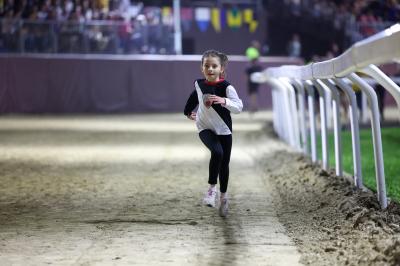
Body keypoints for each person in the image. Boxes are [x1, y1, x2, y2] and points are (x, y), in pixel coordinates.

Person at [183, 50, 243, 217]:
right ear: (202, 68)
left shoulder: (227, 87)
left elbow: (239, 107)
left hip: (224, 130)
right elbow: (194, 97)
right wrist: (187, 112)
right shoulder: (199, 84)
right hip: (204, 127)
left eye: (214, 66)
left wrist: (224, 101)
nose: (210, 69)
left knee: (224, 164)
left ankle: (224, 198)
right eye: (206, 66)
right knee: (217, 152)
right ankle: (211, 190)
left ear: (221, 69)